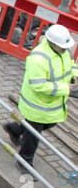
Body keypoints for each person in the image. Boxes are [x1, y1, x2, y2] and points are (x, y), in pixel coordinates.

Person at [5, 23, 77, 170]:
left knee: (49, 124)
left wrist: (75, 76)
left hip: (51, 105)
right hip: (37, 105)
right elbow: (38, 85)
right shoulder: (38, 59)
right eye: (62, 46)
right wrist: (65, 88)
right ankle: (24, 162)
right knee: (33, 137)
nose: (65, 48)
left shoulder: (63, 51)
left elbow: (71, 65)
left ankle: (15, 129)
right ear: (52, 43)